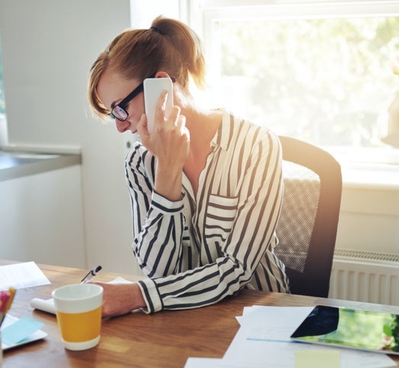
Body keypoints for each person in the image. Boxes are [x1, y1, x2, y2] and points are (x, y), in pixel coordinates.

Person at [87, 16, 289, 317]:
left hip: (259, 316)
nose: (120, 127)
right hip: (180, 319)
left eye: (120, 108)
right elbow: (157, 269)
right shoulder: (140, 163)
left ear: (161, 85)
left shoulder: (257, 146)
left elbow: (238, 269)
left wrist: (138, 295)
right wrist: (167, 170)